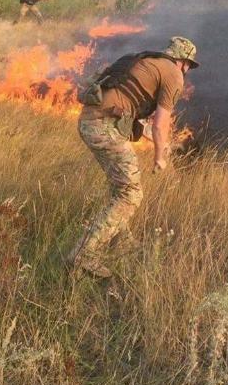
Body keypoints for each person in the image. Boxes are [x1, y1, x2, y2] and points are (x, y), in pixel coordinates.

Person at [68, 36, 200, 279]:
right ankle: (83, 255)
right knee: (130, 194)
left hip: (89, 121)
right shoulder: (174, 73)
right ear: (183, 60)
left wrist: (164, 143)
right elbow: (160, 123)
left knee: (120, 188)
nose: (188, 70)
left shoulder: (141, 61)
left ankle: (122, 244)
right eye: (189, 65)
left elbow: (136, 114)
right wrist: (160, 157)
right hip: (105, 127)